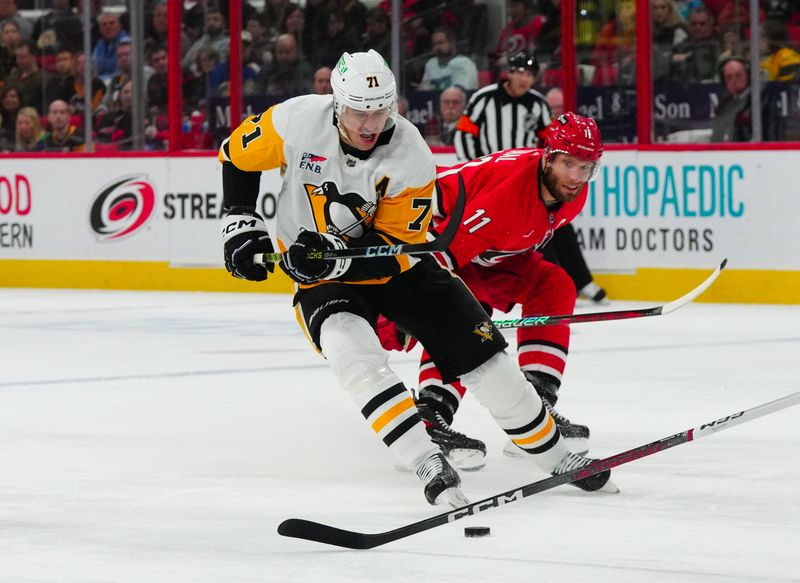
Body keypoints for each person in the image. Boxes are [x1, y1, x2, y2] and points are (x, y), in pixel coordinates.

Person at [217, 50, 615, 507]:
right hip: (322, 277)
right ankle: (425, 460)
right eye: (359, 111)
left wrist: (332, 258)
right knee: (353, 354)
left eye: (380, 110)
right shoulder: (294, 120)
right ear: (335, 102)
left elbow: (390, 252)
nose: (370, 123)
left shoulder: (410, 154)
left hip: (397, 268)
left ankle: (557, 457)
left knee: (485, 356)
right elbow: (237, 156)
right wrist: (239, 223)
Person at [381, 113, 604, 470]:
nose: (576, 177)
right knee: (467, 312)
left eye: (586, 167)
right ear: (548, 155)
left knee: (554, 285)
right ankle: (430, 414)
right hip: (437, 242)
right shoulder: (506, 196)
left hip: (492, 256)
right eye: (568, 164)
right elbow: (441, 255)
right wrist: (401, 312)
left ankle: (537, 408)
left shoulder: (570, 192)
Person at [454, 51, 550, 161]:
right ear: (510, 73)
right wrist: (470, 167)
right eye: (520, 72)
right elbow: (464, 133)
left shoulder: (539, 103)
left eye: (529, 74)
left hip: (525, 171)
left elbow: (548, 140)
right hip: (489, 170)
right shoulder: (483, 98)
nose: (524, 79)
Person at [417, 26, 479, 91]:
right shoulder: (431, 64)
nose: (437, 47)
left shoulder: (465, 63)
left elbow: (460, 92)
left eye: (441, 43)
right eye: (434, 44)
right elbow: (423, 90)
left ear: (452, 43)